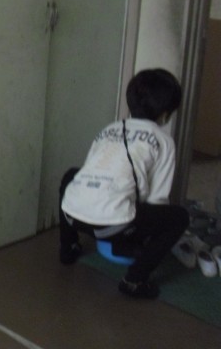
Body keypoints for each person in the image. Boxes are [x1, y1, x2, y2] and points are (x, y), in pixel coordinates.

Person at [58, 68, 189, 299]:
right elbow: (157, 199)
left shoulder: (109, 129)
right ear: (166, 113)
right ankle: (134, 280)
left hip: (73, 215)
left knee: (72, 175)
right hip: (113, 227)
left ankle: (68, 248)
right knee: (179, 217)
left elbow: (89, 174)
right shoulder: (164, 141)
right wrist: (140, 236)